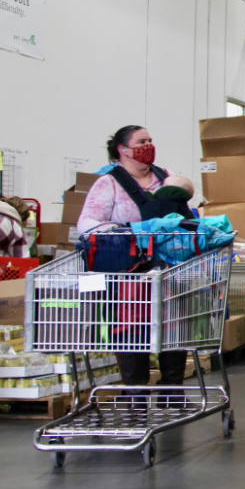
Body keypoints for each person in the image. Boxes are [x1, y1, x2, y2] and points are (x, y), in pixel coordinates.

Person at [78, 125, 188, 391]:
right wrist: (129, 232)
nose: (148, 145)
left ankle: (172, 391)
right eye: (141, 141)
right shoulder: (109, 183)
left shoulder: (167, 177)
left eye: (150, 140)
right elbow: (86, 224)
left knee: (173, 325)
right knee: (131, 329)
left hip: (168, 269)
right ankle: (135, 393)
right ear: (122, 149)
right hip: (129, 271)